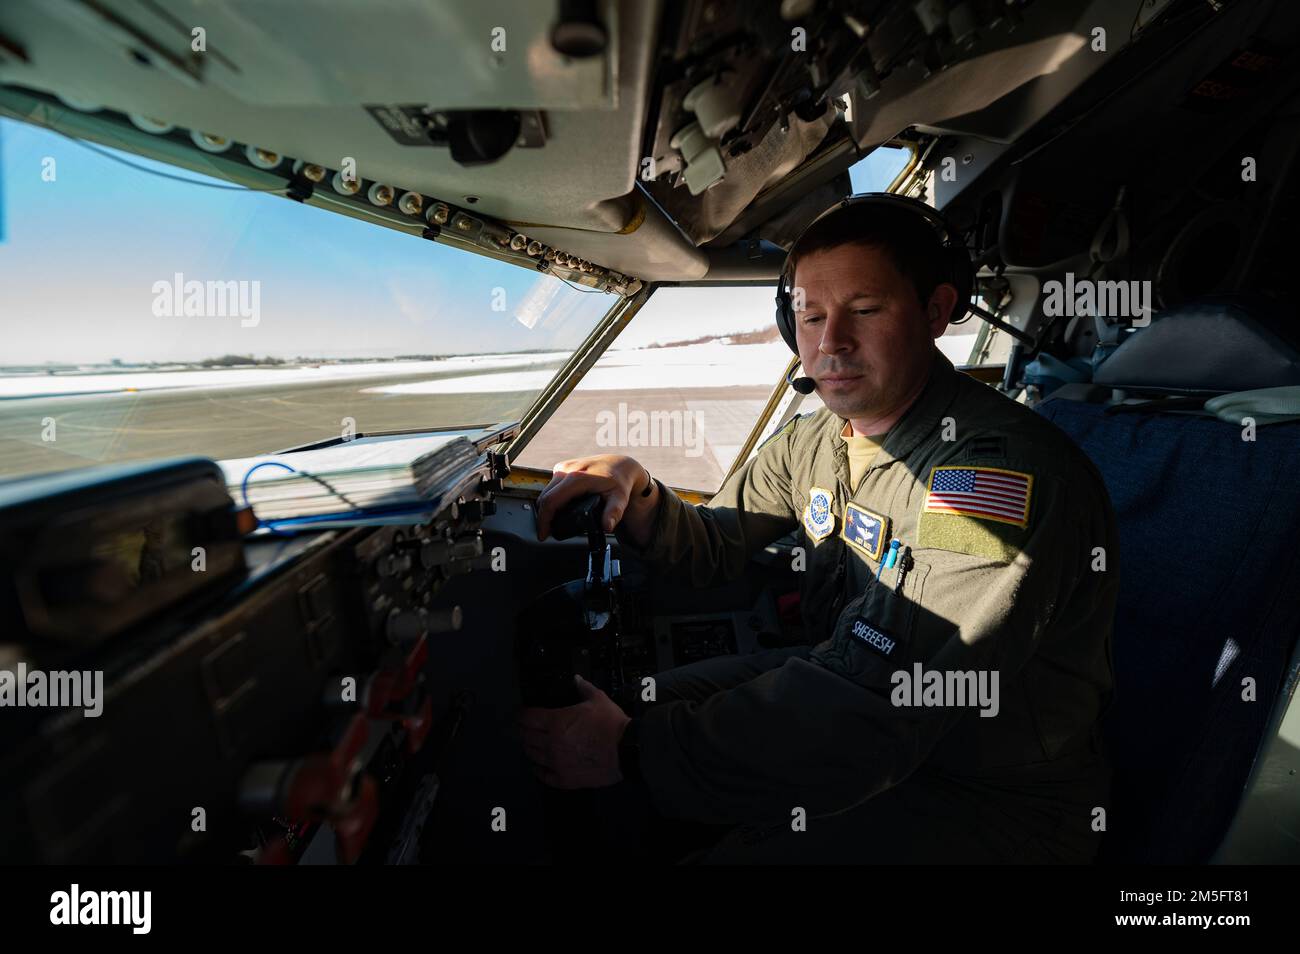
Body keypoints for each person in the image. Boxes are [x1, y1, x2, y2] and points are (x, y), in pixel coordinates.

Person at [521, 195, 1119, 863]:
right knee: (641, 704)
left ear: (936, 310)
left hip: (987, 788)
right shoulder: (813, 440)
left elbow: (876, 711)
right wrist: (643, 498)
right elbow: (719, 541)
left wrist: (631, 752)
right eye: (809, 316)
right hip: (857, 690)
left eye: (864, 311)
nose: (830, 343)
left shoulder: (992, 478)